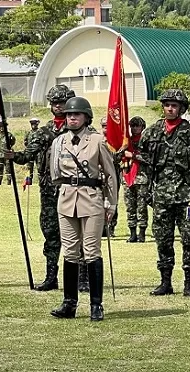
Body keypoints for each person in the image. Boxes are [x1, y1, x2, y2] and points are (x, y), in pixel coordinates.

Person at [49, 96, 117, 321]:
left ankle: (96, 305)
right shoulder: (59, 142)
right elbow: (55, 174)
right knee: (69, 252)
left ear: (86, 118)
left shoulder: (97, 141)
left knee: (91, 251)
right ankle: (69, 303)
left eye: (76, 115)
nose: (72, 118)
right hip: (67, 199)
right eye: (69, 115)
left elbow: (110, 174)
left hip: (92, 199)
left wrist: (111, 202)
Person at [137, 89, 190, 297]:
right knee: (163, 238)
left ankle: (189, 284)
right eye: (167, 104)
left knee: (189, 238)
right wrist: (146, 186)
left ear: (181, 109)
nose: (170, 108)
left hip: (188, 197)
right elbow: (141, 157)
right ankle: (165, 282)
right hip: (161, 197)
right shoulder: (152, 132)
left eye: (174, 105)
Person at [5, 84, 75, 291]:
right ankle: (51, 277)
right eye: (54, 103)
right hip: (48, 190)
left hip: (73, 189)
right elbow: (28, 155)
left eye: (61, 102)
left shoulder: (81, 130)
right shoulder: (42, 133)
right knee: (51, 234)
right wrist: (13, 156)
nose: (58, 106)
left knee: (75, 234)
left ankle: (82, 279)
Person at [122, 116, 149, 243]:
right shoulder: (126, 141)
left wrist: (133, 155)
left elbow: (149, 159)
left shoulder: (147, 141)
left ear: (142, 127)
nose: (135, 128)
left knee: (141, 207)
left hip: (141, 178)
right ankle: (132, 233)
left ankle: (142, 233)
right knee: (130, 207)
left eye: (137, 126)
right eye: (132, 125)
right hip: (128, 177)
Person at [0, 121, 16, 185]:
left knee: (8, 169)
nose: (1, 128)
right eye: (0, 127)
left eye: (3, 127)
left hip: (7, 154)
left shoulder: (9, 135)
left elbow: (13, 142)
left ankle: (9, 183)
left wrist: (9, 148)